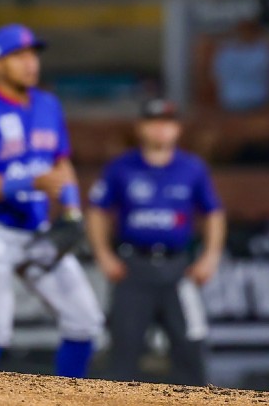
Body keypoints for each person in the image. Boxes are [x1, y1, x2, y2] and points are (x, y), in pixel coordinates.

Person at [0, 24, 104, 378]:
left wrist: (71, 212)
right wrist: (30, 180)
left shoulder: (48, 105)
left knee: (85, 323)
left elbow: (61, 163)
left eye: (33, 54)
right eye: (18, 55)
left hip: (37, 231)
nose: (30, 62)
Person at [86, 99, 227, 386]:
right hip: (134, 267)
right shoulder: (121, 168)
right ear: (141, 128)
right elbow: (97, 211)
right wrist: (103, 254)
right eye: (154, 123)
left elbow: (213, 212)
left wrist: (211, 256)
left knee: (190, 347)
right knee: (124, 353)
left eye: (168, 123)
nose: (161, 130)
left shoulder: (192, 168)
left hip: (178, 270)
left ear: (177, 129)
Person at [211, 19, 269, 112]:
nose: (246, 34)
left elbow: (263, 73)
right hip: (231, 101)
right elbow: (217, 75)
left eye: (250, 31)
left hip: (259, 100)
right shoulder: (226, 52)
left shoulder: (263, 51)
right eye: (243, 31)